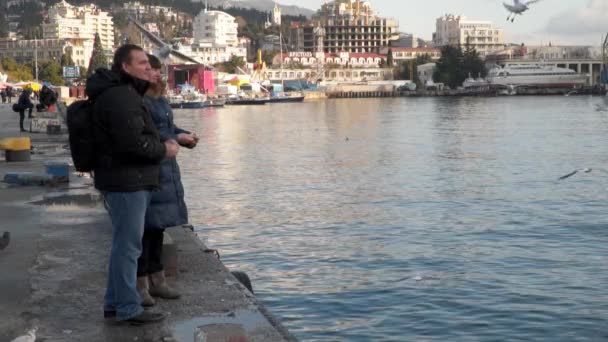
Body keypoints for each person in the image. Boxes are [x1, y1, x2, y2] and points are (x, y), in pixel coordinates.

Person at [86, 44, 180, 324]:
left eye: (150, 66)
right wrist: (164, 149)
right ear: (125, 67)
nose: (149, 69)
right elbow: (132, 144)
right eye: (143, 64)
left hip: (125, 180)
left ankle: (115, 303)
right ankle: (128, 308)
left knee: (124, 246)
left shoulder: (123, 94)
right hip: (126, 182)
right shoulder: (121, 98)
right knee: (128, 248)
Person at [136, 54, 198, 306]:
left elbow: (167, 130)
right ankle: (142, 285)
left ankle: (158, 280)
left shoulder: (159, 100)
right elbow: (147, 134)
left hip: (167, 170)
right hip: (150, 170)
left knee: (158, 229)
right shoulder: (139, 101)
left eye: (159, 71)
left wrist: (183, 135)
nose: (157, 75)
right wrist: (175, 139)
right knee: (144, 231)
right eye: (152, 70)